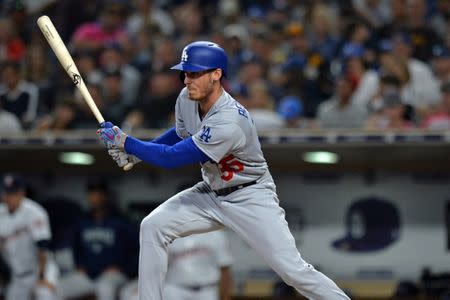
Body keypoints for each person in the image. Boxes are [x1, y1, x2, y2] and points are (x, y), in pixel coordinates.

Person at [97, 41, 350, 300]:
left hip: (250, 196)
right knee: (152, 226)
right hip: (211, 192)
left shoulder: (229, 119)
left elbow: (171, 159)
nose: (187, 80)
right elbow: (180, 135)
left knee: (293, 272)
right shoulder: (186, 98)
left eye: (195, 73)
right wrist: (135, 153)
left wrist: (126, 142)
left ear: (216, 74)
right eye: (185, 73)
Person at [57, 177, 138, 300]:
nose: (94, 197)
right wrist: (79, 265)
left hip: (114, 274)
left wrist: (124, 269)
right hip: (88, 274)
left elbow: (137, 250)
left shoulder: (121, 221)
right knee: (58, 287)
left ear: (105, 195)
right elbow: (76, 248)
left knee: (104, 288)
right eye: (91, 193)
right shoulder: (82, 221)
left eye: (98, 193)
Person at [119, 230, 233, 300]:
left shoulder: (216, 235)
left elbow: (225, 269)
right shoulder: (167, 235)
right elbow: (156, 269)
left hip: (207, 290)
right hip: (175, 290)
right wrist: (143, 287)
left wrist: (225, 296)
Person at [0, 174, 59, 300]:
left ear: (22, 193)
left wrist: (42, 277)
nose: (8, 197)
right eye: (6, 193)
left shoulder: (35, 212)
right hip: (17, 275)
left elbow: (43, 247)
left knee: (45, 294)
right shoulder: (1, 213)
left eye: (13, 193)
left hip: (40, 269)